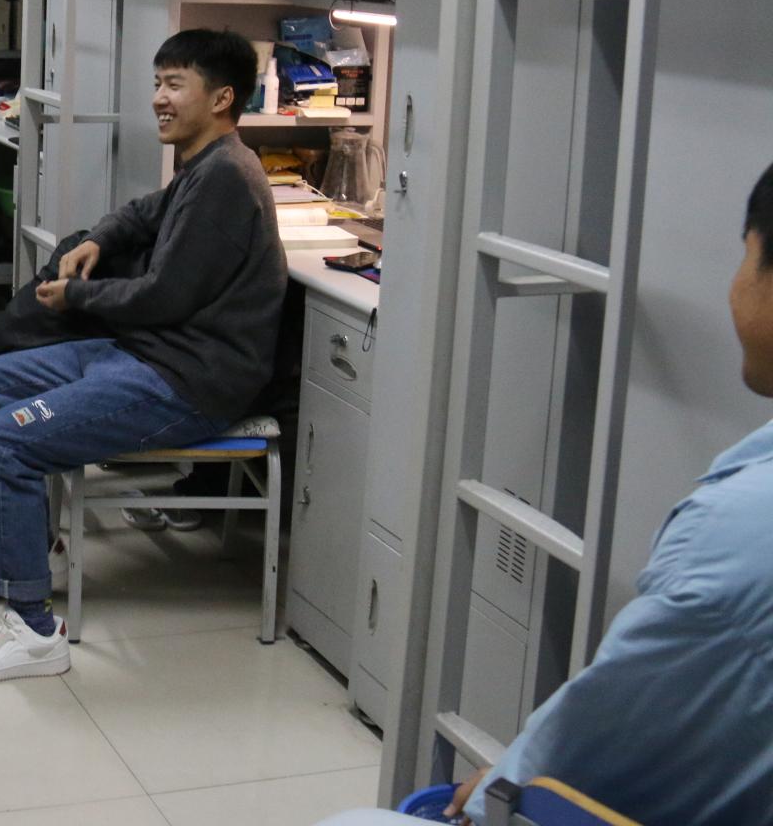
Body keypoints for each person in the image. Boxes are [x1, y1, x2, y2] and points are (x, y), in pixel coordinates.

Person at [314, 166, 773, 824]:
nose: (735, 284)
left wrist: (507, 783)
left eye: (747, 257)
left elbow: (609, 733)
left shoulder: (739, 532)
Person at [0, 29, 287, 682]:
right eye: (157, 83)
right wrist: (97, 239)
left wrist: (76, 295)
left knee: (2, 443)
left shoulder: (227, 180)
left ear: (222, 98)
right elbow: (143, 213)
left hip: (185, 381)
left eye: (175, 84)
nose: (159, 98)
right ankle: (35, 556)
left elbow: (162, 297)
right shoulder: (203, 165)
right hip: (148, 355)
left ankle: (32, 632)